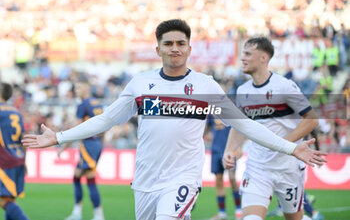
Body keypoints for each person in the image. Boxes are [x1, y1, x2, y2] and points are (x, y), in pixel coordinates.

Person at [22, 19, 327, 220]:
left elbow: (244, 124)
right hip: (144, 182)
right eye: (168, 44)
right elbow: (106, 121)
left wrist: (291, 148)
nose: (175, 49)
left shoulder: (206, 87)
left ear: (189, 48)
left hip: (182, 179)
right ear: (158, 49)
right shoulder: (140, 84)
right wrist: (60, 137)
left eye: (181, 43)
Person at [222, 37, 323, 220]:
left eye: (247, 54)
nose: (242, 58)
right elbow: (240, 126)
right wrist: (230, 150)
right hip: (257, 167)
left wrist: (282, 144)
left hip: (288, 167)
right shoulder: (243, 90)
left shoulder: (284, 86)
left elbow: (311, 119)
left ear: (263, 58)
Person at [58, 79, 105, 220]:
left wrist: (63, 147)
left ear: (85, 89)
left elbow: (76, 130)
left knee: (90, 179)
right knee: (77, 176)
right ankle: (77, 212)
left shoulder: (83, 105)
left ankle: (98, 215)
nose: (76, 91)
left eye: (78, 88)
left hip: (89, 144)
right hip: (96, 144)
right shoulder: (97, 104)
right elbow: (104, 127)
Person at [0, 82, 29, 220]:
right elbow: (23, 139)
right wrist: (25, 162)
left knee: (4, 201)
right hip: (17, 158)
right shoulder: (16, 112)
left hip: (3, 161)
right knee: (10, 200)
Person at [207, 116, 242, 220]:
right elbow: (207, 128)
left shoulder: (228, 106)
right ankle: (222, 213)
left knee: (232, 178)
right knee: (218, 180)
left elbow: (239, 127)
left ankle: (239, 210)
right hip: (215, 149)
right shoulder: (210, 111)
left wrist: (239, 146)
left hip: (230, 149)